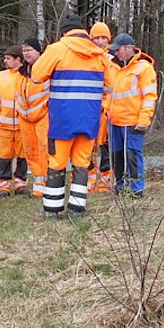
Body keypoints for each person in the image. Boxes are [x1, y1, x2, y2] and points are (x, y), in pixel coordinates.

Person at [32, 14, 112, 219]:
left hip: (62, 120)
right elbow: (110, 86)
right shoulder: (100, 54)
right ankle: (76, 210)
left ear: (64, 33)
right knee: (81, 163)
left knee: (57, 163)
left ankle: (52, 210)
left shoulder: (57, 49)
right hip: (89, 120)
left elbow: (36, 75)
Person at [106, 33, 158, 197]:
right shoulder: (113, 67)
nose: (116, 53)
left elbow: (149, 97)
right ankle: (120, 186)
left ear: (129, 48)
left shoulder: (143, 68)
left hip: (133, 122)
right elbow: (108, 93)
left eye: (118, 49)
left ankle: (137, 189)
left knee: (133, 156)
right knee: (117, 157)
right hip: (114, 121)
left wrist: (144, 120)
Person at [0, 46, 29, 196]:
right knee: (4, 156)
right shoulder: (1, 76)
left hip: (22, 125)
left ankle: (20, 184)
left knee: (22, 155)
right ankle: (3, 186)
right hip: (4, 125)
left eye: (8, 58)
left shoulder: (26, 75)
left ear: (18, 59)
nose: (5, 61)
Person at [18, 38, 50, 198]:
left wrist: (40, 110)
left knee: (44, 150)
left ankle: (47, 184)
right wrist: (22, 112)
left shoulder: (46, 70)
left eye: (30, 50)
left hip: (43, 117)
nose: (27, 53)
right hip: (25, 118)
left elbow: (49, 95)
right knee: (30, 151)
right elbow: (19, 95)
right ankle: (38, 185)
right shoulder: (22, 72)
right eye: (24, 50)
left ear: (38, 51)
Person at [87, 21, 114, 193]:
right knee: (87, 147)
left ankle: (105, 181)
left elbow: (114, 86)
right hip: (89, 108)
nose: (100, 41)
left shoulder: (112, 59)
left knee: (105, 147)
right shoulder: (86, 57)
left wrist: (107, 105)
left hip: (106, 109)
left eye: (104, 37)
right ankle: (88, 181)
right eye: (97, 38)